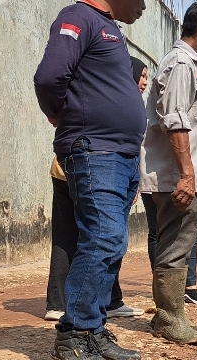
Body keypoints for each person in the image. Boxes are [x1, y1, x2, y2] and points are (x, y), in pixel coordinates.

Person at [34, 0, 157, 360]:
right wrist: (63, 117)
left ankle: (93, 329)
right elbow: (49, 78)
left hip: (118, 156)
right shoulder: (79, 18)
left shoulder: (110, 30)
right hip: (94, 150)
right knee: (102, 239)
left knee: (111, 243)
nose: (144, 5)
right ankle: (72, 337)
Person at [139, 0, 197, 344]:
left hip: (174, 173)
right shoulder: (180, 64)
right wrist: (187, 175)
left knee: (175, 243)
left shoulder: (187, 64)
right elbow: (174, 121)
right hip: (172, 175)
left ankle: (172, 314)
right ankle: (169, 318)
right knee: (175, 245)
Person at [43, 57, 149, 321]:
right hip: (81, 172)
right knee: (82, 236)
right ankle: (62, 304)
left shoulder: (124, 102)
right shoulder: (101, 96)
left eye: (147, 76)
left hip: (108, 173)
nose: (145, 82)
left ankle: (109, 301)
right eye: (142, 76)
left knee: (109, 237)